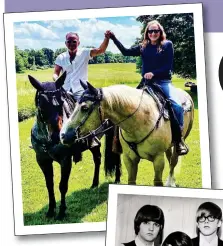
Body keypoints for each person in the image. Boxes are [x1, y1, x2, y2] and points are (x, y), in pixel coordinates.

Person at [107, 20, 188, 156]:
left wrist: (154, 73)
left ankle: (179, 140)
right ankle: (117, 141)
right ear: (147, 33)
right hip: (145, 83)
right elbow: (125, 52)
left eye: (156, 31)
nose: (153, 33)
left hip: (162, 82)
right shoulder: (143, 46)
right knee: (124, 106)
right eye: (150, 31)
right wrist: (113, 38)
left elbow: (168, 66)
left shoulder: (167, 45)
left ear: (160, 32)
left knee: (177, 106)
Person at [53, 31, 110, 101]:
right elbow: (56, 73)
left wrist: (107, 38)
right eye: (69, 42)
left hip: (81, 91)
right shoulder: (60, 57)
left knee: (89, 107)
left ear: (78, 43)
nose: (71, 44)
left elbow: (101, 50)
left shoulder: (85, 53)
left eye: (74, 41)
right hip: (65, 90)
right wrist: (56, 79)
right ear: (65, 43)